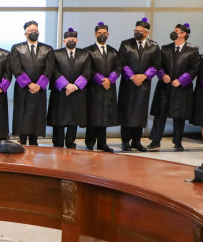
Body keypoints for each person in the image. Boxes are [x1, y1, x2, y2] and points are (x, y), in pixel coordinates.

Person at [148, 23, 199, 151]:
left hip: (181, 88)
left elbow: (194, 68)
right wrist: (162, 75)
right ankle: (155, 140)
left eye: (176, 31)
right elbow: (158, 65)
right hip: (165, 87)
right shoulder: (165, 48)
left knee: (179, 116)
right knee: (160, 114)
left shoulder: (192, 50)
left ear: (183, 34)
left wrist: (181, 80)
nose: (174, 33)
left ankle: (178, 142)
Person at [117, 17, 161, 152]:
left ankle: (137, 141)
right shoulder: (126, 44)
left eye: (140, 31)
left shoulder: (153, 46)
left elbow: (156, 64)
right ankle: (125, 141)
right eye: (135, 30)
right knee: (127, 111)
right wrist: (132, 76)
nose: (137, 33)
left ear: (146, 33)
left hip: (144, 84)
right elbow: (122, 63)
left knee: (140, 113)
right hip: (128, 83)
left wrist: (144, 76)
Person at [8, 20, 54, 146]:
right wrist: (29, 84)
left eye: (36, 30)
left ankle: (34, 142)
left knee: (37, 115)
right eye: (31, 31)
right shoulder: (17, 48)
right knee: (22, 114)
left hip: (39, 88)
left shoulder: (47, 49)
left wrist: (39, 85)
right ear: (25, 34)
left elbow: (49, 69)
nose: (34, 32)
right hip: (23, 88)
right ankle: (22, 141)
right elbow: (16, 68)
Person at [48, 28, 91, 149]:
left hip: (77, 91)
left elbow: (87, 72)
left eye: (73, 39)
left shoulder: (85, 54)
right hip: (60, 91)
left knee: (74, 118)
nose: (71, 41)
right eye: (68, 39)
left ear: (77, 40)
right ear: (64, 41)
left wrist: (75, 86)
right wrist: (66, 85)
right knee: (59, 118)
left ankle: (70, 142)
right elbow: (53, 71)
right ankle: (58, 143)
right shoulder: (56, 54)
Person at [85, 22, 120, 152]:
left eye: (104, 33)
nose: (102, 35)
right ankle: (90, 143)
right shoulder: (88, 51)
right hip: (94, 88)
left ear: (108, 34)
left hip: (108, 88)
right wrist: (100, 80)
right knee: (93, 116)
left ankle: (102, 143)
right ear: (95, 35)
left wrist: (110, 80)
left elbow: (118, 67)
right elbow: (88, 68)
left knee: (105, 116)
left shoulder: (113, 51)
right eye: (99, 33)